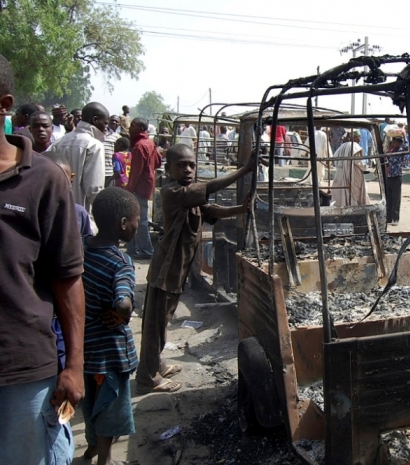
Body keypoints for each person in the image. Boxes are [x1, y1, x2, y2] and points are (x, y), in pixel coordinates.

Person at [0, 53, 86, 464]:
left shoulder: (43, 179)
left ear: (3, 106)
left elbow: (67, 277)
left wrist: (74, 364)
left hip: (22, 370)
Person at [135, 144, 257, 393]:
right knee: (154, 323)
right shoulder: (172, 191)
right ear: (168, 169)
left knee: (163, 320)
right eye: (181, 165)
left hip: (177, 269)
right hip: (166, 268)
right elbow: (210, 188)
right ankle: (147, 377)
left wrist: (240, 210)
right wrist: (245, 170)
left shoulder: (189, 194)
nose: (188, 169)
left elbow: (210, 211)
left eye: (191, 164)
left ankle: (156, 364)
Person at [80, 187, 139, 465]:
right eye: (137, 219)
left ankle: (91, 448)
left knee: (91, 400)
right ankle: (105, 459)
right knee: (110, 404)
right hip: (111, 351)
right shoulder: (121, 263)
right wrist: (123, 314)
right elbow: (124, 302)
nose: (140, 225)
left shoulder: (82, 248)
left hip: (86, 345)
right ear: (124, 224)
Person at [45, 102, 109, 212]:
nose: (106, 129)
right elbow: (94, 190)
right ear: (95, 120)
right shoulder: (94, 146)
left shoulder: (58, 142)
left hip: (57, 212)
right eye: (105, 123)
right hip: (81, 215)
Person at [126, 117, 161, 259]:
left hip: (139, 187)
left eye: (133, 125)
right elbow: (158, 162)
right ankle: (132, 248)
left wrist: (129, 189)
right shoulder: (149, 143)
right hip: (147, 184)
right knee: (135, 217)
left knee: (140, 220)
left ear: (140, 129)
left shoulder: (139, 146)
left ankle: (146, 250)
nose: (129, 127)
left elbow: (136, 171)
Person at [44, 152, 93, 237]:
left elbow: (84, 244)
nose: (55, 186)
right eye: (48, 180)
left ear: (71, 179)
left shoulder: (78, 213)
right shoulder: (29, 211)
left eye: (62, 180)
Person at [331, 131, 370, 207]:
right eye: (359, 137)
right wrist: (365, 167)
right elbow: (358, 161)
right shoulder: (354, 146)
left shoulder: (342, 146)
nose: (360, 139)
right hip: (352, 173)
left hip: (340, 173)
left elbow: (335, 158)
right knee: (353, 192)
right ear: (355, 137)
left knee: (342, 191)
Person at [385, 135, 408, 225]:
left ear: (399, 143)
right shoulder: (391, 151)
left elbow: (406, 146)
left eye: (395, 142)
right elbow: (386, 157)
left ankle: (395, 218)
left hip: (397, 176)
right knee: (389, 198)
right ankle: (389, 218)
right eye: (393, 142)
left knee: (396, 199)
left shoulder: (401, 151)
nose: (393, 144)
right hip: (389, 176)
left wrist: (403, 135)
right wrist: (390, 148)